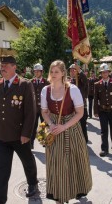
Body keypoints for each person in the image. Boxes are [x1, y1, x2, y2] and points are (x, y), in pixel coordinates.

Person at [0, 55, 38, 204]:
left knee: (27, 161)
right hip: (2, 135)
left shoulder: (24, 84)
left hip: (19, 135)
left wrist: (26, 134)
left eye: (6, 66)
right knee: (2, 169)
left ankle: (32, 183)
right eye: (1, 66)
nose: (2, 68)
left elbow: (31, 112)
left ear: (14, 67)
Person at [41, 60, 92, 204]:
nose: (53, 74)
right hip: (53, 130)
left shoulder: (73, 89)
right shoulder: (46, 90)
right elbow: (44, 112)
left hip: (71, 128)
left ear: (63, 73)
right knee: (56, 163)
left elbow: (80, 113)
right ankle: (59, 196)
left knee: (73, 162)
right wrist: (50, 124)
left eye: (56, 71)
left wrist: (64, 126)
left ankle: (75, 190)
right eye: (51, 71)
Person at [94, 63, 112, 157]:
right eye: (103, 72)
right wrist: (95, 111)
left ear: (108, 72)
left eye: (106, 72)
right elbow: (96, 99)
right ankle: (104, 149)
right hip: (102, 110)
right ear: (101, 74)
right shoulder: (97, 84)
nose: (104, 74)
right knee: (104, 130)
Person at [30, 63, 50, 149]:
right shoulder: (30, 82)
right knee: (32, 126)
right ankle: (31, 143)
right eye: (35, 71)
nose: (36, 73)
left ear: (42, 72)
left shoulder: (46, 82)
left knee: (44, 126)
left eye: (38, 71)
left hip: (43, 108)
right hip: (34, 109)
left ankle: (45, 142)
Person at [69, 62, 89, 142]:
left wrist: (79, 71)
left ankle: (84, 141)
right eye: (71, 70)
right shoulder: (68, 81)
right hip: (71, 108)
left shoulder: (81, 81)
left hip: (80, 108)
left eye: (74, 70)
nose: (72, 72)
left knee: (82, 125)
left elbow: (85, 80)